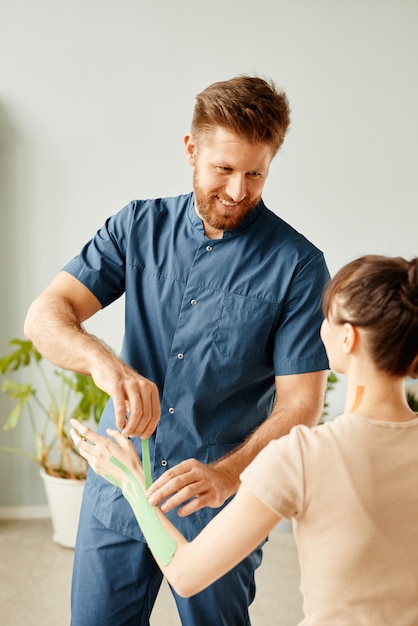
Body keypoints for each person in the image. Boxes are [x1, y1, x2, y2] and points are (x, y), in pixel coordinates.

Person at [24, 75, 330, 626]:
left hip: (217, 502)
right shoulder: (135, 227)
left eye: (255, 173)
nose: (239, 190)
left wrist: (229, 476)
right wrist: (103, 362)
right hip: (120, 484)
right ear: (191, 149)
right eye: (224, 169)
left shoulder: (299, 265)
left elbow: (300, 406)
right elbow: (45, 315)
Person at [71, 254, 418, 626]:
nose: (319, 329)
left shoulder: (301, 456)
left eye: (326, 318)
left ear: (347, 338)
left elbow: (187, 575)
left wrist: (131, 480)